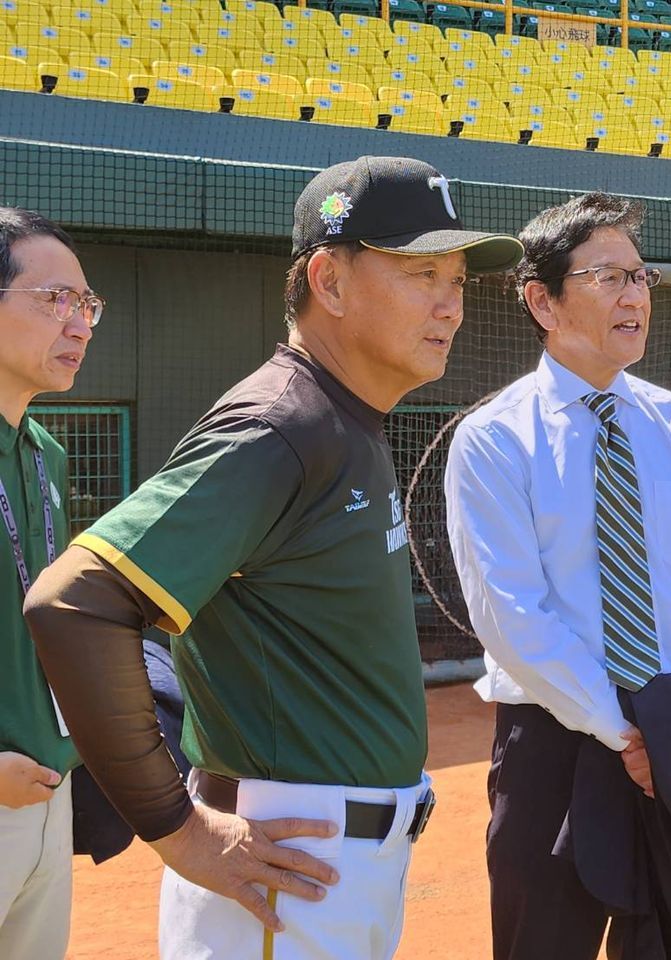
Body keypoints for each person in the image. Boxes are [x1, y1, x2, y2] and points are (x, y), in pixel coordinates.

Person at [24, 156, 523, 960]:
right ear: (328, 280)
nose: (450, 305)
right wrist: (177, 830)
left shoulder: (345, 418)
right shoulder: (280, 427)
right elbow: (75, 601)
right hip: (281, 871)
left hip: (333, 869)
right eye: (422, 272)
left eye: (458, 280)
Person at [444, 192, 671, 960]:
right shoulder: (492, 440)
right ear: (542, 300)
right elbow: (510, 613)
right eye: (609, 277)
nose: (635, 296)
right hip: (555, 744)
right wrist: (624, 731)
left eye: (642, 277)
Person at [0, 206, 99, 960]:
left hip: (47, 790)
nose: (80, 323)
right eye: (55, 299)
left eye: (87, 303)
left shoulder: (47, 454)